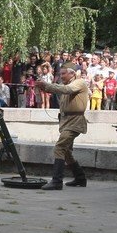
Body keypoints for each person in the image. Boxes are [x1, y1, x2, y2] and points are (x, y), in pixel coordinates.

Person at [35, 62, 90, 190]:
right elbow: (63, 88)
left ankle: (57, 181)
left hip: (75, 122)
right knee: (66, 152)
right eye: (60, 74)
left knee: (59, 148)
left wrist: (47, 86)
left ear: (72, 73)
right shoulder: (67, 84)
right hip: (67, 121)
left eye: (63, 74)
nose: (61, 76)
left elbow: (67, 90)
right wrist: (44, 88)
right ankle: (80, 178)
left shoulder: (79, 82)